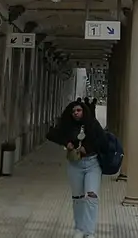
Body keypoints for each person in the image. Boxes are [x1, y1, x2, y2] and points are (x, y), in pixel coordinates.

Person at [46, 100, 108, 238]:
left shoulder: (92, 124)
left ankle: (89, 232)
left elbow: (103, 141)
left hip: (93, 164)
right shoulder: (67, 125)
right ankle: (79, 228)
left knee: (91, 197)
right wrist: (66, 142)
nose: (76, 113)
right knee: (78, 198)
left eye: (78, 110)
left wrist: (89, 148)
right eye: (73, 111)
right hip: (75, 165)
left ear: (84, 111)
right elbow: (51, 134)